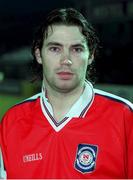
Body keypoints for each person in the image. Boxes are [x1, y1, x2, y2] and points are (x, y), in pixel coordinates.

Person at [0, 7, 133, 179]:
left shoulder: (124, 117)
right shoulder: (13, 121)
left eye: (76, 49)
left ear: (91, 55)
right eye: (55, 49)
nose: (66, 60)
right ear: (38, 54)